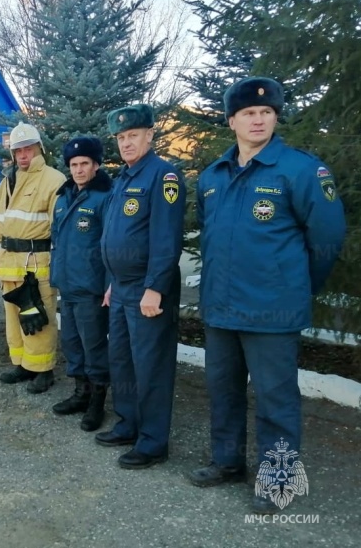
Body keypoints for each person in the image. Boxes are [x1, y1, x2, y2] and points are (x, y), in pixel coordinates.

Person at [187, 77, 346, 514]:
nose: (257, 119)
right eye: (247, 113)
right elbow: (210, 234)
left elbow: (327, 237)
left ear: (275, 117)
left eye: (266, 112)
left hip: (272, 311)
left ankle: (278, 480)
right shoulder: (212, 176)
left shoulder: (299, 170)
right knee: (223, 391)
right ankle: (227, 462)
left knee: (276, 400)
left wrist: (294, 287)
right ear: (231, 120)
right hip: (221, 308)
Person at [98, 104, 186, 469]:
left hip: (147, 289)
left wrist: (156, 287)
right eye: (121, 137)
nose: (126, 142)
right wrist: (110, 283)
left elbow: (167, 239)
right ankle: (129, 423)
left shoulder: (163, 177)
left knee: (150, 365)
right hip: (120, 288)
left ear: (150, 135)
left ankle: (152, 442)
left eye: (133, 135)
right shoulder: (124, 179)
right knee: (121, 360)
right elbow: (112, 237)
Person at [0, 122, 66, 394]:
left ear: (38, 148)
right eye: (17, 150)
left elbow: (60, 228)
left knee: (39, 316)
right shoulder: (6, 183)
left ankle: (43, 369)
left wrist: (60, 265)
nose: (23, 155)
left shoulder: (53, 180)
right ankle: (22, 363)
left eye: (28, 149)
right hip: (9, 262)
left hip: (36, 262)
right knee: (14, 318)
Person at [50, 137, 112, 431]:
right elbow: (57, 241)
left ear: (96, 165)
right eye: (74, 165)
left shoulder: (105, 196)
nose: (78, 169)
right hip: (68, 284)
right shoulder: (63, 197)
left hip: (91, 287)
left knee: (93, 345)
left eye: (84, 163)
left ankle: (98, 400)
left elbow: (111, 245)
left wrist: (109, 284)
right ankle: (80, 393)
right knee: (72, 343)